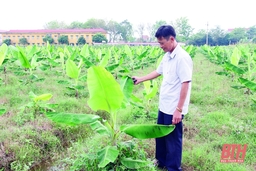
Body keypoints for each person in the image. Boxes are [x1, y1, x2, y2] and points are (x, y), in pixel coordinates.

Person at [132, 25, 193, 171]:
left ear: (171, 39)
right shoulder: (167, 56)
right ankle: (161, 162)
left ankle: (173, 167)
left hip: (174, 108)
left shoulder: (182, 58)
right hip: (164, 105)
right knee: (160, 135)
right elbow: (157, 72)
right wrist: (140, 79)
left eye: (162, 43)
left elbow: (186, 84)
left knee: (173, 140)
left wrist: (178, 109)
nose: (160, 46)